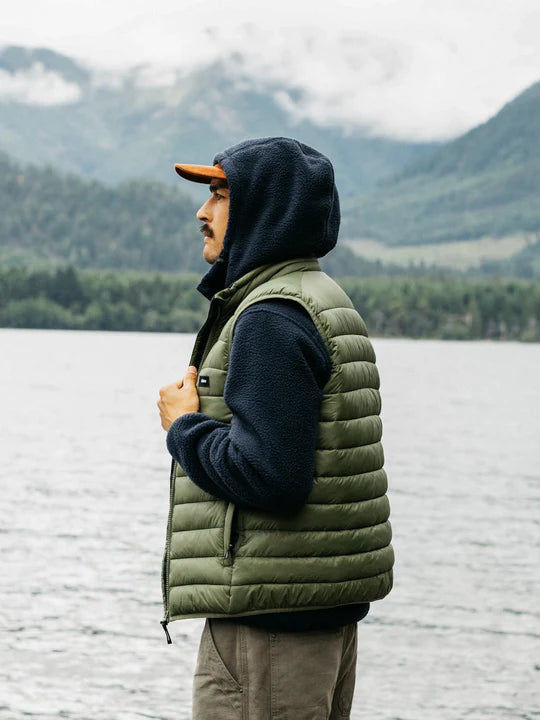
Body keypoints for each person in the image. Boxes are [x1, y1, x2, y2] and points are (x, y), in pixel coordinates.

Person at [157, 136, 393, 720]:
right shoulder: (320, 298)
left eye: (220, 195)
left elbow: (270, 475)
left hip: (268, 630)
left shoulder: (269, 317)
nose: (202, 212)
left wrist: (184, 427)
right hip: (310, 613)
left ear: (266, 209)